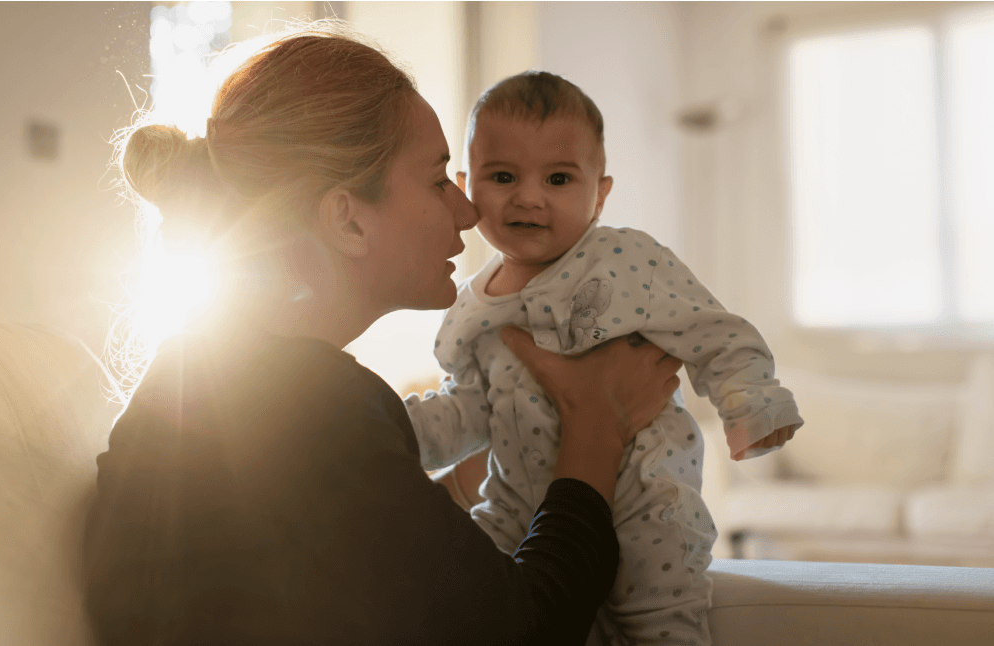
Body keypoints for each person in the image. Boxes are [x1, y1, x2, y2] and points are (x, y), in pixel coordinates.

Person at [83, 23, 687, 646]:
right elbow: (523, 629)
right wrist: (595, 433)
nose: (468, 210)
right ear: (347, 221)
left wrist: (487, 466)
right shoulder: (312, 403)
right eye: (435, 180)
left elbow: (369, 564)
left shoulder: (221, 384)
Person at [404, 71, 805, 645]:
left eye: (559, 178)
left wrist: (752, 405)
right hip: (518, 504)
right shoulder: (471, 305)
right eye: (502, 176)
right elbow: (468, 408)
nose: (528, 196)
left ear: (600, 193)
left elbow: (714, 332)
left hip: (641, 495)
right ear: (468, 186)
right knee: (467, 596)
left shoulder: (626, 259)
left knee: (658, 616)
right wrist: (400, 435)